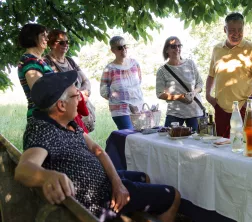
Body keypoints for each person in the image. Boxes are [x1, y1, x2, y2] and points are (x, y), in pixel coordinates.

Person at [15, 71, 180, 222]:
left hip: (104, 184)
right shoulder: (44, 129)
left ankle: (132, 211)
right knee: (173, 196)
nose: (80, 98)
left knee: (145, 177)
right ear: (61, 106)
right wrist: (48, 176)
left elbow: (98, 151)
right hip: (98, 200)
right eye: (75, 95)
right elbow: (23, 169)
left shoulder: (67, 123)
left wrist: (117, 183)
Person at [206, 13, 252, 138]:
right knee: (222, 148)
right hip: (220, 108)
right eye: (232, 30)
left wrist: (251, 101)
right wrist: (208, 95)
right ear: (225, 30)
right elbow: (211, 75)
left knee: (245, 148)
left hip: (243, 108)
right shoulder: (217, 49)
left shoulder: (251, 49)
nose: (236, 34)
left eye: (240, 30)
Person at [44, 29, 92, 133]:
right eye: (61, 42)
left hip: (79, 106)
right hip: (64, 110)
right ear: (52, 44)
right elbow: (55, 89)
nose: (65, 44)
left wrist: (84, 93)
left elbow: (86, 81)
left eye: (67, 42)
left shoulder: (70, 60)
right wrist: (77, 95)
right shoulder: (46, 62)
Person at [156, 36, 204, 131]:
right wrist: (179, 97)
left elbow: (200, 83)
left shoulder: (190, 64)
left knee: (197, 143)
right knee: (169, 143)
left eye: (179, 46)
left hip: (195, 112)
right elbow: (159, 94)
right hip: (174, 114)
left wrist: (194, 93)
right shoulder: (162, 71)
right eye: (173, 46)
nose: (177, 49)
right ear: (167, 50)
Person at [100, 36, 144, 130]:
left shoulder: (134, 64)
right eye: (119, 48)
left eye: (125, 46)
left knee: (140, 137)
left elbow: (139, 81)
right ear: (113, 50)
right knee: (129, 135)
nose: (123, 49)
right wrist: (117, 99)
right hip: (121, 110)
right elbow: (103, 90)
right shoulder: (110, 68)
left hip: (138, 107)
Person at [17, 23, 54, 119]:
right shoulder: (30, 61)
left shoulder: (37, 60)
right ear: (32, 37)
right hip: (41, 117)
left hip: (48, 116)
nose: (47, 39)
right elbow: (39, 94)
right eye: (43, 36)